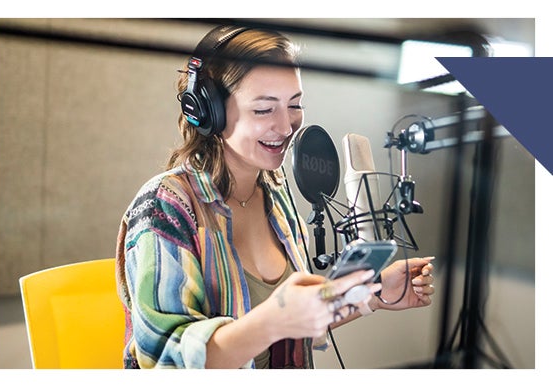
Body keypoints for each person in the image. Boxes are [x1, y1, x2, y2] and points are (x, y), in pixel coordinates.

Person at [115, 25, 435, 369]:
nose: (286, 127)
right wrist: (273, 319)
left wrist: (374, 292)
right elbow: (167, 364)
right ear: (210, 111)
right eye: (264, 110)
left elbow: (291, 328)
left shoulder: (276, 195)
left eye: (294, 105)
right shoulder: (166, 208)